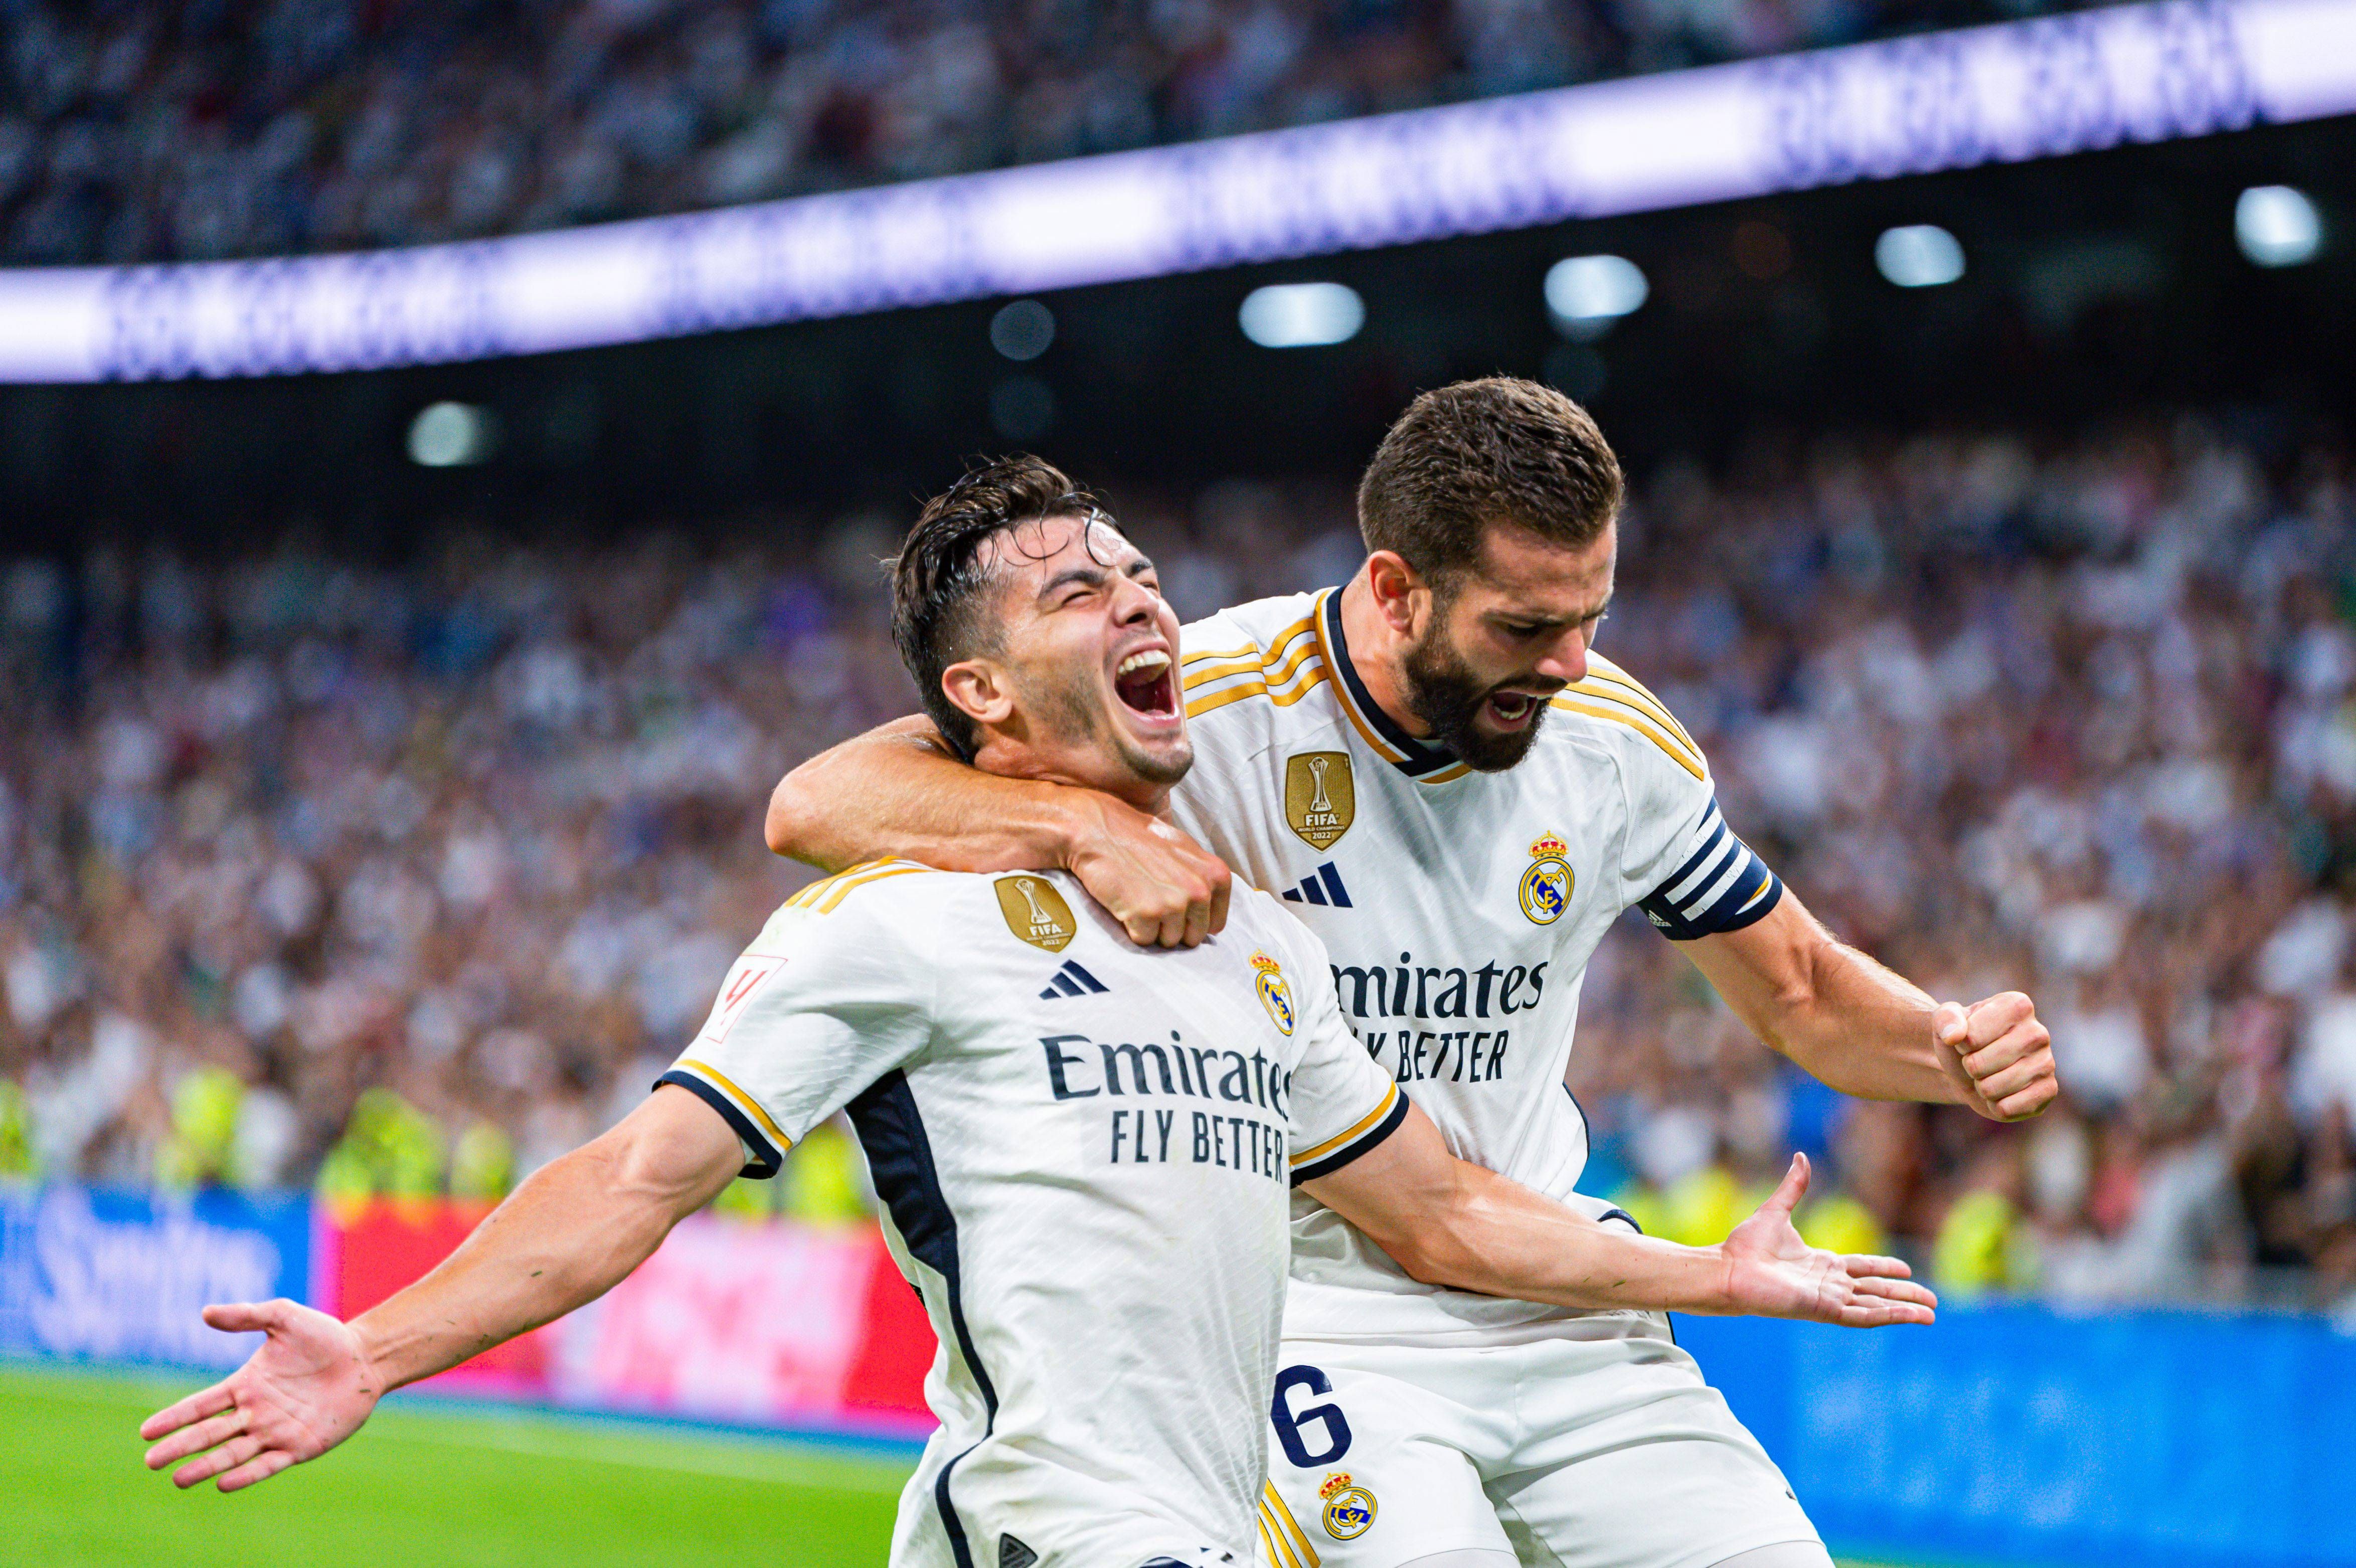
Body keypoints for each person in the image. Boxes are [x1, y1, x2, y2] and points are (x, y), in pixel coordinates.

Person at [139, 458, 1934, 1568]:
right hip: (1049, 1533)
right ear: (979, 691)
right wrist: (374, 1349)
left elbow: (1452, 1214)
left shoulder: (1253, 949)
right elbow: (635, 1177)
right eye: (1083, 589)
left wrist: (1718, 1275)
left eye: (1140, 571)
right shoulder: (890, 925)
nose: (1147, 596)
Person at [764, 385, 2059, 1568]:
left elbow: (1802, 996)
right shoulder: (1204, 703)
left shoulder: (1610, 743)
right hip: (1317, 1317)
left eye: (1589, 618)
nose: (1565, 663)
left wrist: (1940, 1044)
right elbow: (822, 798)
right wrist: (1091, 826)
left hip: (1561, 1293)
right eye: (1524, 625)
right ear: (1394, 590)